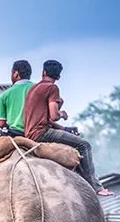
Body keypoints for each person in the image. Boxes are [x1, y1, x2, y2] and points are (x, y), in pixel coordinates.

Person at [23, 60, 113, 196]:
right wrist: (62, 113)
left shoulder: (33, 89)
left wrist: (64, 129)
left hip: (29, 133)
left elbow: (45, 118)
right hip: (42, 133)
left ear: (43, 73)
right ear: (58, 77)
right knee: (84, 145)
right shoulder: (52, 88)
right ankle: (96, 187)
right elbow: (53, 116)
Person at [0, 60, 34, 137]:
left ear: (16, 74)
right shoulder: (39, 88)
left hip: (15, 134)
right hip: (35, 133)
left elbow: (1, 123)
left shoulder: (5, 94)